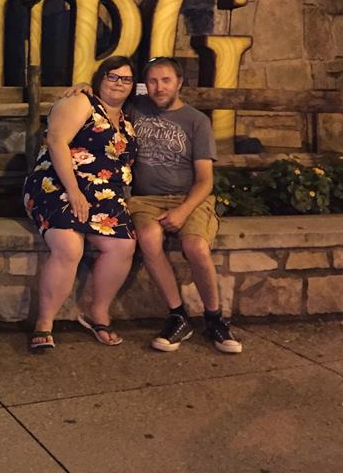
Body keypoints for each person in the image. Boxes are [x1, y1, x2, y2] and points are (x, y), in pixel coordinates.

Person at [65, 57, 242, 354]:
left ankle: (215, 318)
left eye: (166, 81)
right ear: (144, 85)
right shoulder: (136, 108)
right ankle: (177, 315)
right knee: (148, 237)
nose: (159, 88)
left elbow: (205, 180)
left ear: (179, 83)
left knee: (197, 247)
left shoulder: (197, 121)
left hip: (188, 197)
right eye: (153, 81)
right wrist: (86, 86)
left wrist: (183, 211)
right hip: (145, 199)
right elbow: (108, 94)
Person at [23, 56, 138, 353]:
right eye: (113, 76)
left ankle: (98, 313)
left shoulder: (127, 122)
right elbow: (57, 141)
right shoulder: (81, 101)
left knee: (123, 245)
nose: (119, 83)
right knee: (69, 246)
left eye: (126, 79)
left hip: (103, 194)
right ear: (100, 78)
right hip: (57, 183)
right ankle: (44, 322)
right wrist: (73, 191)